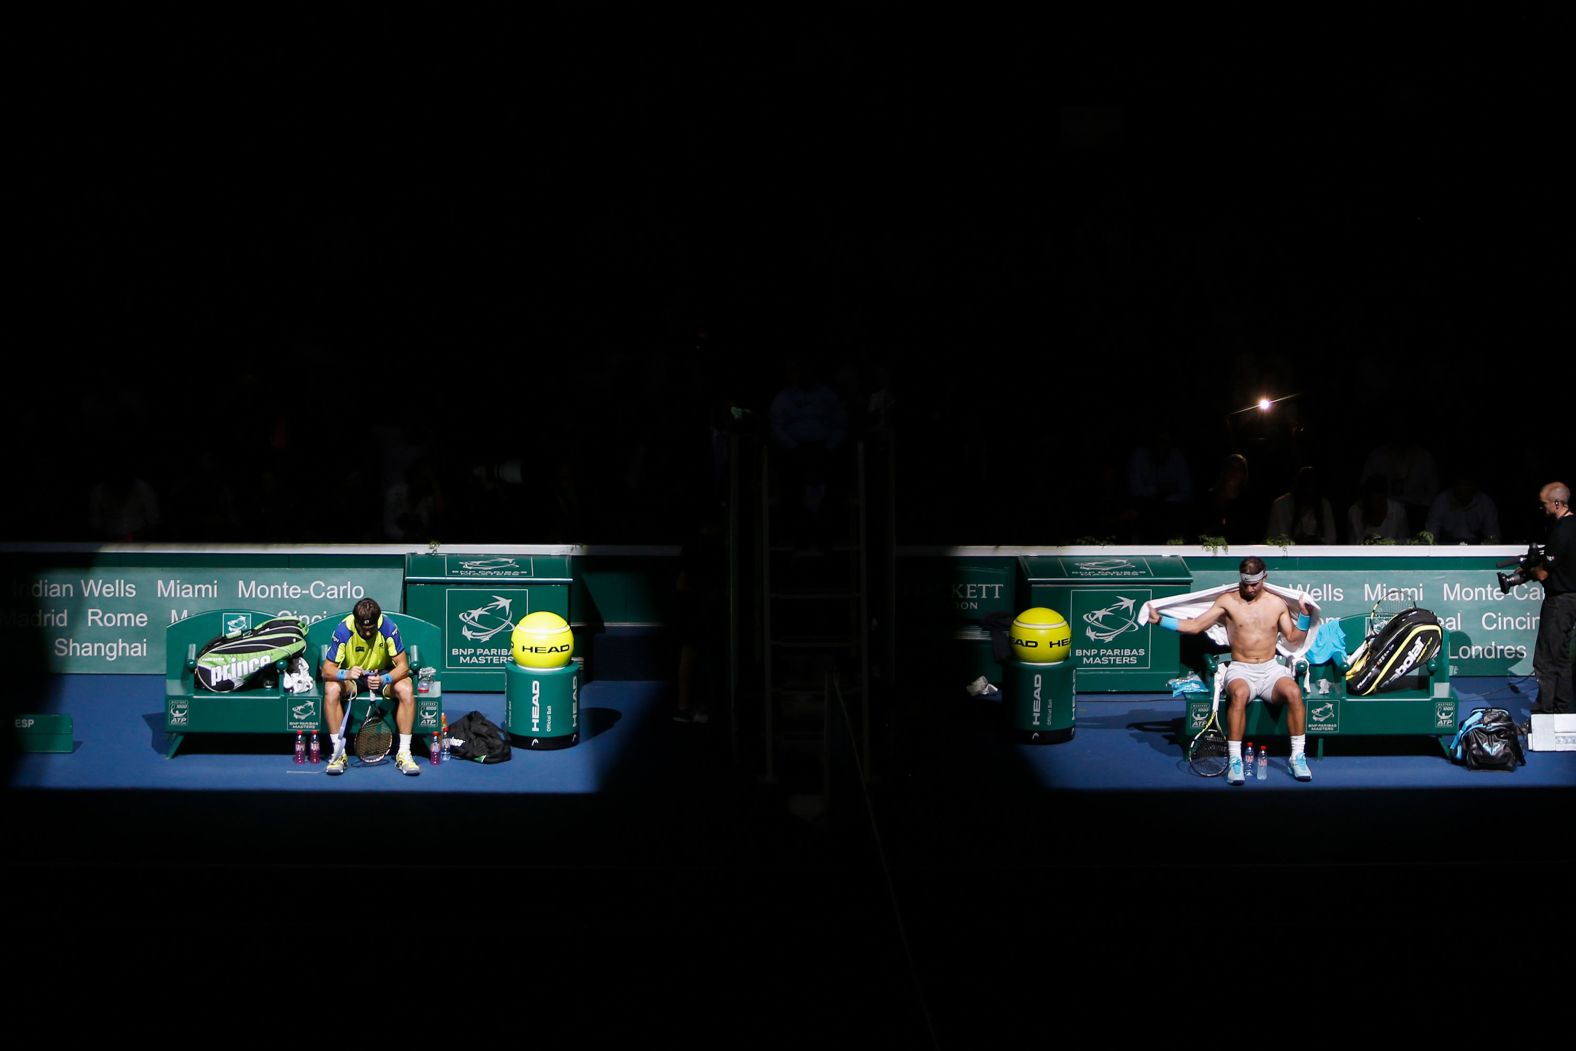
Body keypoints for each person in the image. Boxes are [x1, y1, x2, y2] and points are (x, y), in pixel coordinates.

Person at [1149, 556, 1313, 784]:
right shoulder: (1227, 602)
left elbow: (1294, 639)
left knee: (1294, 694)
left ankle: (1297, 757)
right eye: (1245, 583)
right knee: (1239, 694)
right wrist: (1160, 621)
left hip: (1271, 670)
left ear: (1265, 578)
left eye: (1254, 584)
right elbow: (1196, 626)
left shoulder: (1277, 604)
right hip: (1240, 669)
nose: (1249, 588)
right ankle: (1235, 761)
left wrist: (1304, 616)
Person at [320, 597, 421, 776]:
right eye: (363, 628)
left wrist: (386, 679)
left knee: (406, 688)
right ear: (356, 622)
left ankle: (404, 753)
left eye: (371, 628)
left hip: (381, 675)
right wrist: (346, 673)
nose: (367, 633)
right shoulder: (344, 630)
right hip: (353, 677)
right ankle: (338, 753)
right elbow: (327, 670)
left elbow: (403, 666)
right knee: (331, 689)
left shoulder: (388, 627)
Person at [1529, 482, 1575, 715]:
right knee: (1562, 659)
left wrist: (1530, 568)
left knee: (1546, 660)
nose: (1543, 509)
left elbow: (1544, 572)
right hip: (1572, 600)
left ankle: (1543, 716)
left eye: (1544, 504)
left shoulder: (1561, 529)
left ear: (1557, 503)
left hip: (1559, 602)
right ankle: (1564, 712)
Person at [1424, 469, 1501, 545]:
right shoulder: (1441, 501)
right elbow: (1430, 536)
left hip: (1475, 548)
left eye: (1467, 485)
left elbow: (1493, 537)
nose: (1464, 488)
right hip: (1446, 547)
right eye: (1460, 484)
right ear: (1454, 485)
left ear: (1474, 486)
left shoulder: (1485, 503)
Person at [1265, 465, 1336, 545]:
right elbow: (1271, 540)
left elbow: (1331, 539)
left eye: (1312, 486)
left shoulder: (1324, 505)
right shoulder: (1280, 506)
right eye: (1305, 486)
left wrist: (1315, 542)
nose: (1308, 491)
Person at [1346, 473, 1409, 543]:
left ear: (1385, 499)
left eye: (1379, 502)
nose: (1375, 506)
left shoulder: (1398, 512)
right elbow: (1352, 546)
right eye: (1371, 502)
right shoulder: (1354, 513)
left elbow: (1403, 544)